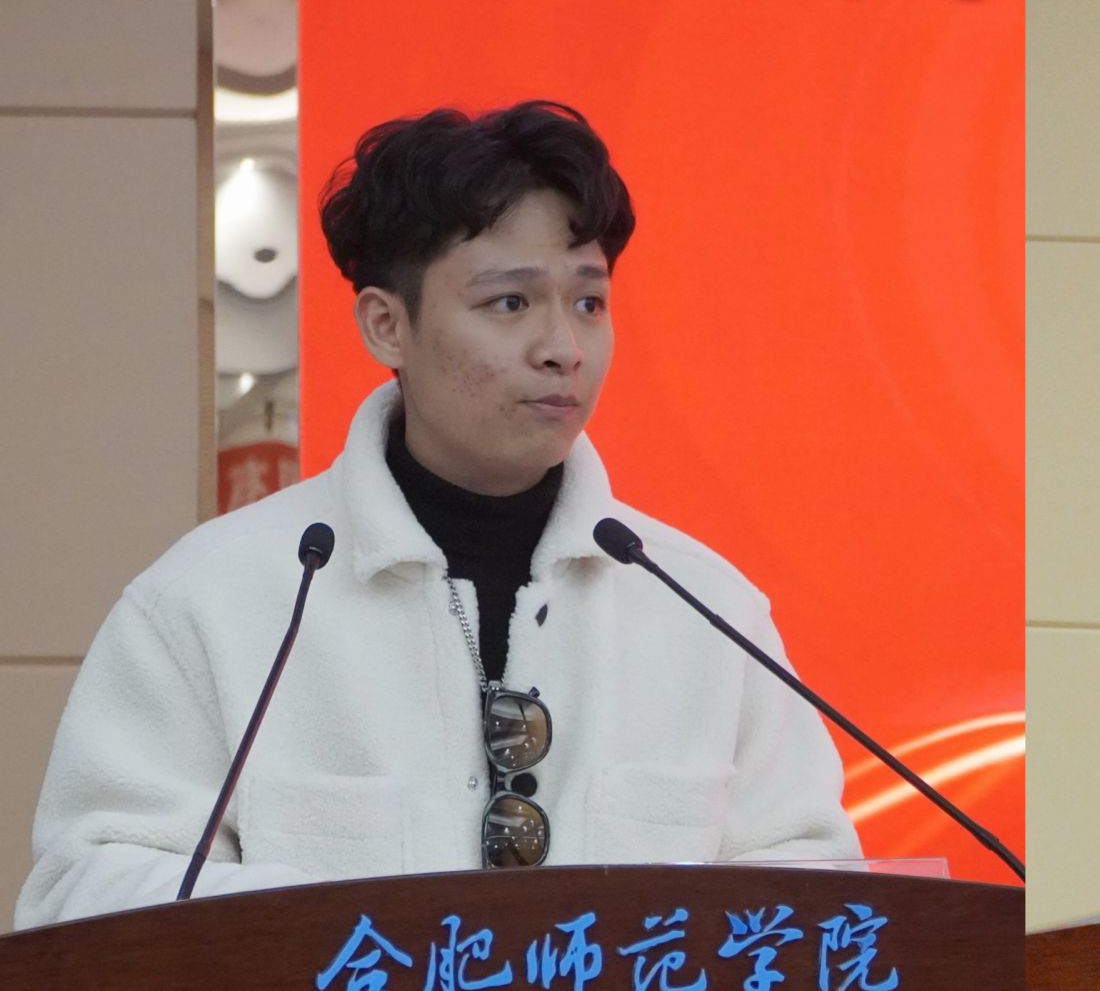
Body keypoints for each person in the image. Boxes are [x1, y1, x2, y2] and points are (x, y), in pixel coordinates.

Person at [18, 101, 858, 928]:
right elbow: (81, 894)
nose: (563, 348)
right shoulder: (214, 601)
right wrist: (358, 931)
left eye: (589, 303)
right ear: (388, 325)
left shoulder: (706, 611)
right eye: (511, 303)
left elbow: (822, 908)